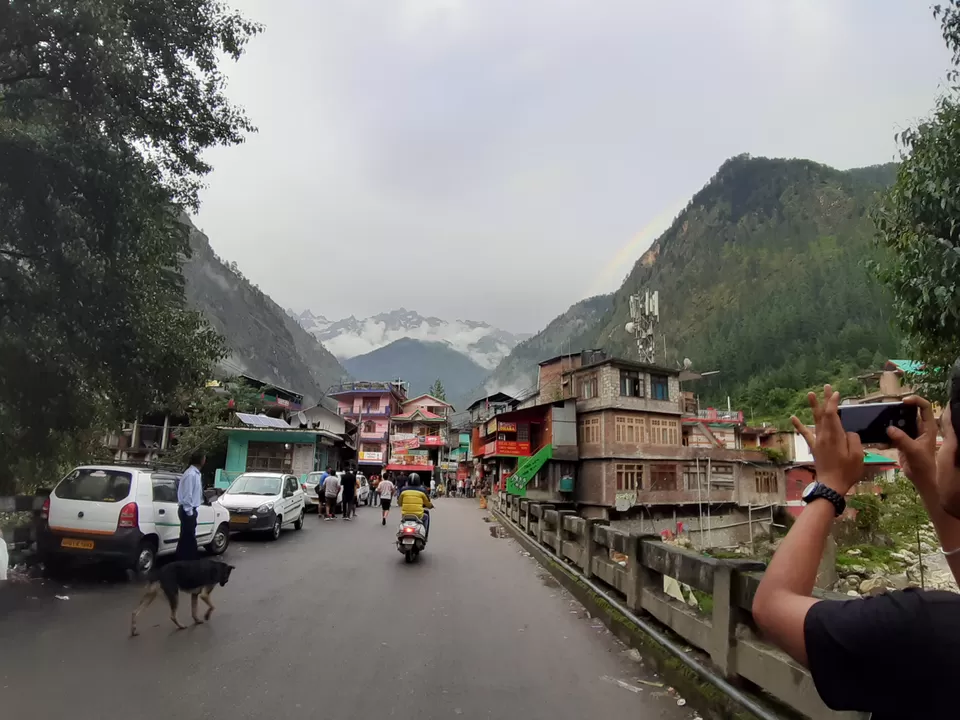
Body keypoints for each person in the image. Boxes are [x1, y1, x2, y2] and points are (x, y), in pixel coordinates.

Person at [752, 384, 960, 718]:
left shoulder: (921, 627)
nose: (941, 444)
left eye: (947, 434)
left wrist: (830, 485)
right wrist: (927, 477)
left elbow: (771, 606)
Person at [176, 451, 205, 560]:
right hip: (187, 510)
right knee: (188, 537)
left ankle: (184, 559)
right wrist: (189, 512)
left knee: (187, 537)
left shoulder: (196, 473)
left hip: (191, 509)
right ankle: (186, 559)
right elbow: (187, 494)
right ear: (201, 460)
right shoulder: (190, 474)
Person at [398, 472, 433, 538]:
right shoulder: (422, 490)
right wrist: (431, 506)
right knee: (426, 516)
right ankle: (425, 535)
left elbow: (399, 503)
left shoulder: (403, 490)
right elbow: (428, 503)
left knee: (402, 522)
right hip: (419, 515)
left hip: (405, 514)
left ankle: (400, 533)